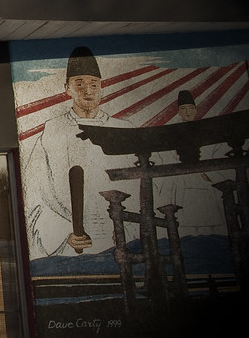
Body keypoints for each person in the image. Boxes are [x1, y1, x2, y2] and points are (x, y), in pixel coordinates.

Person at [23, 46, 138, 257]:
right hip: (71, 245)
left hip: (121, 236)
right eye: (79, 84)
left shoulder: (124, 130)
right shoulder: (52, 130)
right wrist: (63, 233)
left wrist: (129, 226)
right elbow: (35, 192)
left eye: (94, 84)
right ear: (67, 88)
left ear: (102, 88)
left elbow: (147, 187)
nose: (88, 90)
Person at [165, 90, 227, 236]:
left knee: (211, 223)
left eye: (191, 108)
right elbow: (168, 156)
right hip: (183, 178)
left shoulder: (205, 129)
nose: (187, 112)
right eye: (184, 109)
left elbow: (214, 153)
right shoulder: (173, 131)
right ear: (179, 112)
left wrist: (210, 174)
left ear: (196, 110)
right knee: (185, 224)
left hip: (204, 177)